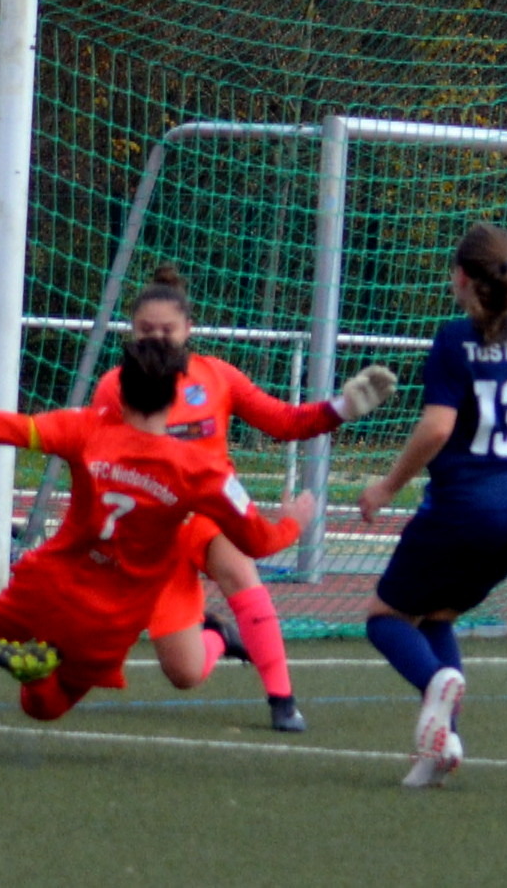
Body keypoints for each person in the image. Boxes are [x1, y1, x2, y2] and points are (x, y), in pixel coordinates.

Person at [0, 337, 314, 732]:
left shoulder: (85, 429)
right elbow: (259, 543)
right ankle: (40, 673)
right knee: (42, 708)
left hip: (50, 580)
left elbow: (0, 426)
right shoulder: (202, 472)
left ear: (121, 386)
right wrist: (295, 519)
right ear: (176, 391)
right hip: (110, 617)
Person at [88, 266, 397, 732]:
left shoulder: (216, 377)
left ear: (188, 330)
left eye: (166, 330)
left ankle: (282, 699)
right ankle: (216, 636)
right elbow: (96, 459)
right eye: (145, 330)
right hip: (152, 536)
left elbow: (285, 421)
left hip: (211, 514)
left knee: (240, 574)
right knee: (186, 674)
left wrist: (343, 407)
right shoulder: (113, 387)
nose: (156, 338)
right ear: (131, 333)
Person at [357, 222, 507, 788]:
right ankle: (443, 749)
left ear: (461, 278)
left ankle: (437, 686)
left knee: (383, 618)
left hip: (462, 509)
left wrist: (386, 487)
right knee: (438, 614)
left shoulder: (453, 340)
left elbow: (437, 429)